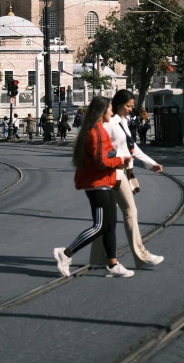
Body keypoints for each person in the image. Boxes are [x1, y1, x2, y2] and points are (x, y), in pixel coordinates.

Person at [53, 95, 134, 279]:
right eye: (110, 109)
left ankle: (113, 265)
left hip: (105, 181)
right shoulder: (95, 131)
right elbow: (100, 161)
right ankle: (65, 253)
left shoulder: (98, 130)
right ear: (102, 111)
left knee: (110, 224)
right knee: (100, 226)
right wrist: (121, 160)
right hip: (97, 183)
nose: (112, 112)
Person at [90, 89, 164, 270]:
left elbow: (132, 147)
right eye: (129, 106)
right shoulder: (109, 123)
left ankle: (98, 258)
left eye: (132, 106)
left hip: (122, 172)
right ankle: (141, 256)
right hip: (113, 173)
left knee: (106, 218)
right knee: (130, 211)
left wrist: (150, 163)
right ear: (117, 105)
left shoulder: (123, 122)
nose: (132, 109)